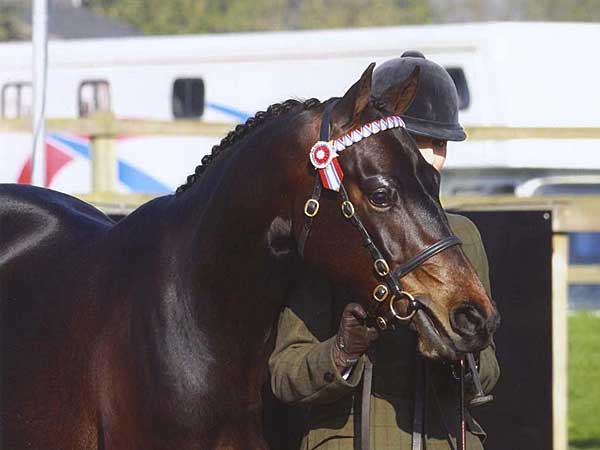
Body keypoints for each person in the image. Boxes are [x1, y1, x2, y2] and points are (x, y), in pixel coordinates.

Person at [268, 51, 500, 450]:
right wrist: (342, 351)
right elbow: (285, 376)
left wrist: (466, 355)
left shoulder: (463, 236)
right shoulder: (337, 235)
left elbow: (490, 371)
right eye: (417, 141)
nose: (429, 156)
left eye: (439, 143)